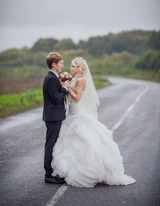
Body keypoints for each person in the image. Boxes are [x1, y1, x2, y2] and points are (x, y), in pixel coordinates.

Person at [52, 57, 136, 187]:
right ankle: (70, 170)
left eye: (74, 66)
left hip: (78, 112)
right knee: (70, 142)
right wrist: (65, 86)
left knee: (83, 140)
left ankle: (86, 171)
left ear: (80, 68)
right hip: (71, 112)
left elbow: (78, 98)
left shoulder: (80, 80)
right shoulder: (73, 79)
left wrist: (67, 88)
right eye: (71, 66)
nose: (71, 68)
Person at [42, 52, 70, 184]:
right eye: (61, 63)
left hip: (54, 116)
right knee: (50, 145)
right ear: (54, 65)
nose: (63, 65)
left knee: (52, 144)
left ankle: (51, 172)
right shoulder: (51, 79)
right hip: (53, 117)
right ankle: (48, 175)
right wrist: (64, 88)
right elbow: (56, 98)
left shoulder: (53, 77)